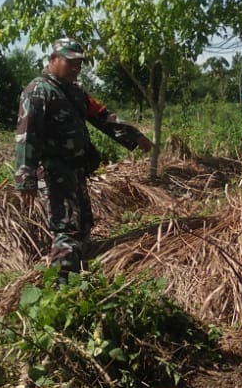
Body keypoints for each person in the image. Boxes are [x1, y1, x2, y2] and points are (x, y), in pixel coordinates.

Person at [15, 39, 151, 275]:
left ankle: (81, 277)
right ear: (54, 59)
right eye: (71, 62)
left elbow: (102, 116)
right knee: (66, 228)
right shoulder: (38, 91)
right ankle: (62, 284)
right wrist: (26, 179)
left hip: (75, 171)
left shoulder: (74, 92)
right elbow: (27, 136)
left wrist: (134, 136)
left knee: (83, 225)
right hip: (53, 173)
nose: (76, 68)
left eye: (79, 63)